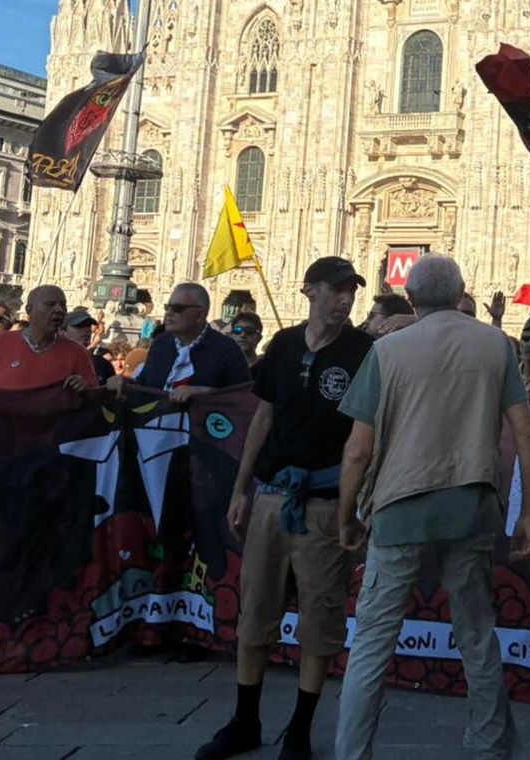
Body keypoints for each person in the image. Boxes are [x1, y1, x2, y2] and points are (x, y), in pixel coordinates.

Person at [334, 255, 530, 759]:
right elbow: (526, 434)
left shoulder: (387, 352)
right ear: (460, 293)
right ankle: (488, 747)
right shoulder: (495, 344)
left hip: (400, 506)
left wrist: (346, 515)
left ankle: (352, 753)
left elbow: (358, 449)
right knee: (476, 634)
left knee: (372, 645)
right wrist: (527, 511)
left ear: (409, 299)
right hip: (470, 505)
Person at [197, 258, 373, 760]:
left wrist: (354, 505)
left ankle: (299, 728)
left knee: (320, 617)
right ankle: (245, 720)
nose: (344, 300)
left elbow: (368, 434)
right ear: (309, 290)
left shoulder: (365, 352)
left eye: (351, 292)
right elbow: (264, 416)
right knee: (255, 611)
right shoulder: (284, 345)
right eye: (335, 290)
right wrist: (241, 487)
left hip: (325, 502)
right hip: (273, 496)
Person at [126, 283, 251, 401]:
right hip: (155, 421)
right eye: (167, 307)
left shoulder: (227, 349)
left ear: (200, 315)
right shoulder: (161, 344)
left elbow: (243, 398)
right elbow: (145, 386)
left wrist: (207, 393)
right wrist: (125, 383)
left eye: (177, 308)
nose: (169, 313)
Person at [0, 286, 96, 392]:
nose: (59, 310)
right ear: (29, 310)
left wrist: (84, 387)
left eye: (63, 305)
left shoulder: (78, 353)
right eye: (50, 304)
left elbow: (93, 396)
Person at [62, 309, 116, 385]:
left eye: (88, 326)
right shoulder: (53, 362)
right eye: (79, 326)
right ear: (63, 331)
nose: (86, 330)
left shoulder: (102, 365)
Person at [230, 311, 265, 378]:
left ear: (259, 338)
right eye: (237, 330)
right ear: (231, 335)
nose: (242, 335)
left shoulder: (266, 369)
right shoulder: (223, 367)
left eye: (249, 331)